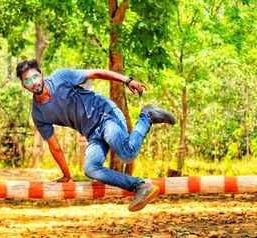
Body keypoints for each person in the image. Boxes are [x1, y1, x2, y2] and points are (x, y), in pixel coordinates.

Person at [16, 59, 175, 212]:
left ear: (42, 75)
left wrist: (127, 80)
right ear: (24, 86)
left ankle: (146, 116)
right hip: (92, 133)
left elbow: (97, 73)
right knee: (91, 169)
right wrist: (66, 175)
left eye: (35, 77)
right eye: (28, 81)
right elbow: (54, 146)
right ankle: (140, 186)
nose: (34, 82)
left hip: (105, 115)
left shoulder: (60, 78)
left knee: (126, 155)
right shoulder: (38, 114)